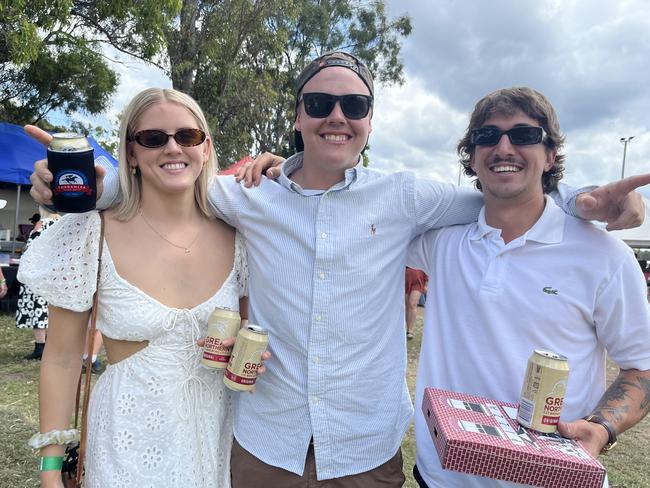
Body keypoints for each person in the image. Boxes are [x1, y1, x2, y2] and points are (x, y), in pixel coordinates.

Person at [27, 53, 650, 487]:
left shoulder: (407, 198)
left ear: (370, 121)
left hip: (365, 448)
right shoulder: (243, 195)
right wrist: (77, 189)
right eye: (319, 102)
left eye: (353, 104)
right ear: (297, 115)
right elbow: (168, 182)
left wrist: (580, 198)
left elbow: (507, 192)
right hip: (264, 441)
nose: (336, 115)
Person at [406, 87, 650, 487]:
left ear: (551, 154)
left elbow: (642, 367)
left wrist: (602, 428)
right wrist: (286, 172)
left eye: (523, 135)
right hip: (442, 477)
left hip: (552, 480)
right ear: (471, 156)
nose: (503, 147)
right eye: (487, 137)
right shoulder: (443, 242)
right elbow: (359, 213)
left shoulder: (605, 256)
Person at [19, 88, 258, 488]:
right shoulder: (90, 232)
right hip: (125, 447)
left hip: (214, 443)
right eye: (152, 138)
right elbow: (61, 360)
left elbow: (247, 336)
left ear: (205, 148)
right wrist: (50, 474)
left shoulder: (241, 238)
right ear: (130, 152)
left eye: (187, 136)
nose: (172, 148)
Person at [16, 207, 60, 360]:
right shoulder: (60, 223)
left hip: (37, 274)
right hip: (52, 275)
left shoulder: (42, 224)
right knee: (51, 311)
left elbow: (31, 249)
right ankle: (50, 346)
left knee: (38, 311)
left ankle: (40, 347)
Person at [405, 267, 428, 339]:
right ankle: (407, 328)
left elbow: (426, 264)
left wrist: (426, 284)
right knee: (407, 306)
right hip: (406, 278)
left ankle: (410, 330)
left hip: (418, 280)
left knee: (412, 304)